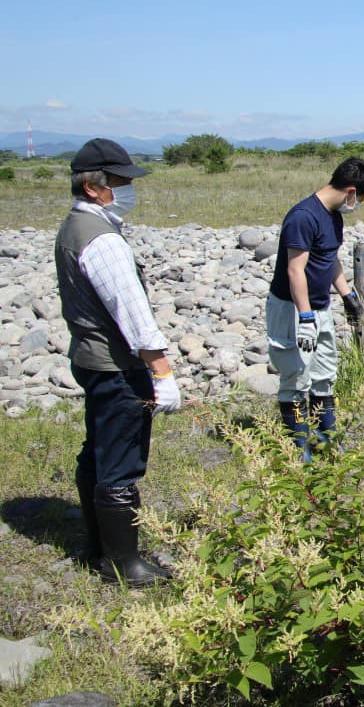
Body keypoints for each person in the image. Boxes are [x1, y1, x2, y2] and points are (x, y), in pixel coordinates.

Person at [55, 138, 182, 587]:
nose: (128, 189)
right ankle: (123, 564)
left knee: (98, 450)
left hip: (90, 358)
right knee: (121, 460)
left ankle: (98, 547)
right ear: (93, 187)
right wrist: (162, 372)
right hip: (115, 366)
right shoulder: (103, 240)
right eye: (120, 181)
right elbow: (133, 314)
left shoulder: (74, 227)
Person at [267, 157, 364, 461]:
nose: (358, 205)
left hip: (320, 306)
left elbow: (330, 259)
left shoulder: (333, 217)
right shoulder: (303, 217)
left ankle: (326, 441)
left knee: (324, 374)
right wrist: (305, 317)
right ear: (351, 191)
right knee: (296, 378)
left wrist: (348, 295)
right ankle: (298, 452)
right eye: (361, 198)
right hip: (292, 309)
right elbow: (295, 270)